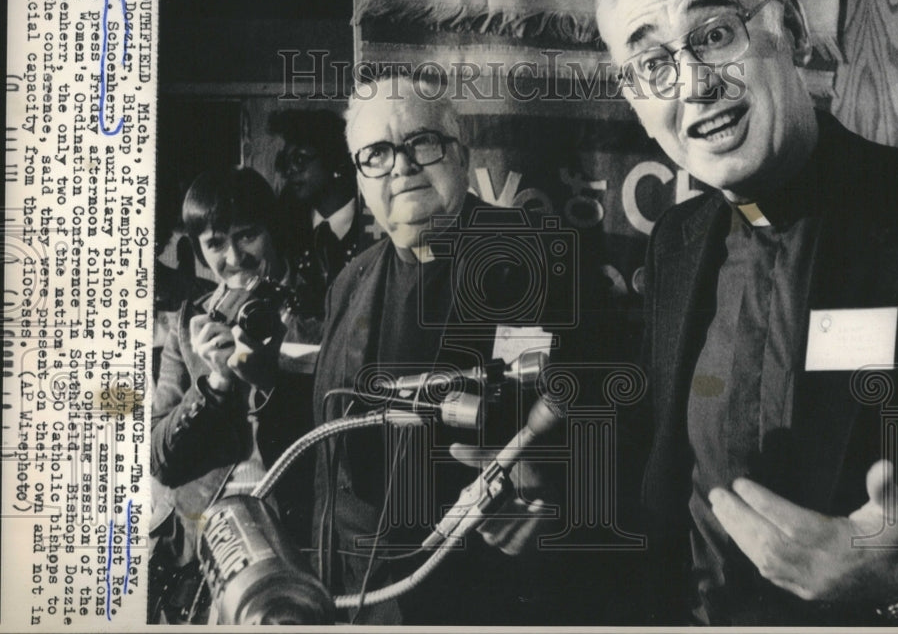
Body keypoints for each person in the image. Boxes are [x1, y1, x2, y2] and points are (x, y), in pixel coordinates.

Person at [594, 0, 898, 626]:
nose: (696, 85)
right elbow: (663, 479)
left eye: (714, 35)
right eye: (653, 65)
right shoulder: (674, 241)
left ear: (792, 29)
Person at [311, 75, 585, 625]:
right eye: (377, 154)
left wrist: (554, 496)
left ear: (462, 156)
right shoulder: (349, 281)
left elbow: (612, 426)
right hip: (362, 600)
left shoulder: (542, 260)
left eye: (422, 143)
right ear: (362, 181)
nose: (402, 167)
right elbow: (325, 458)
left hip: (483, 598)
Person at [149, 166, 316, 622]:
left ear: (271, 230)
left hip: (298, 536)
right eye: (215, 244)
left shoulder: (322, 306)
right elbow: (161, 459)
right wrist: (215, 383)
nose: (234, 257)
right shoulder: (190, 322)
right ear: (199, 249)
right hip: (209, 543)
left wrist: (272, 374)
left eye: (247, 236)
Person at [271, 110, 361, 316]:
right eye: (286, 161)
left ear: (335, 159)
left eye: (300, 159)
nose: (290, 170)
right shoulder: (285, 228)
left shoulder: (374, 224)